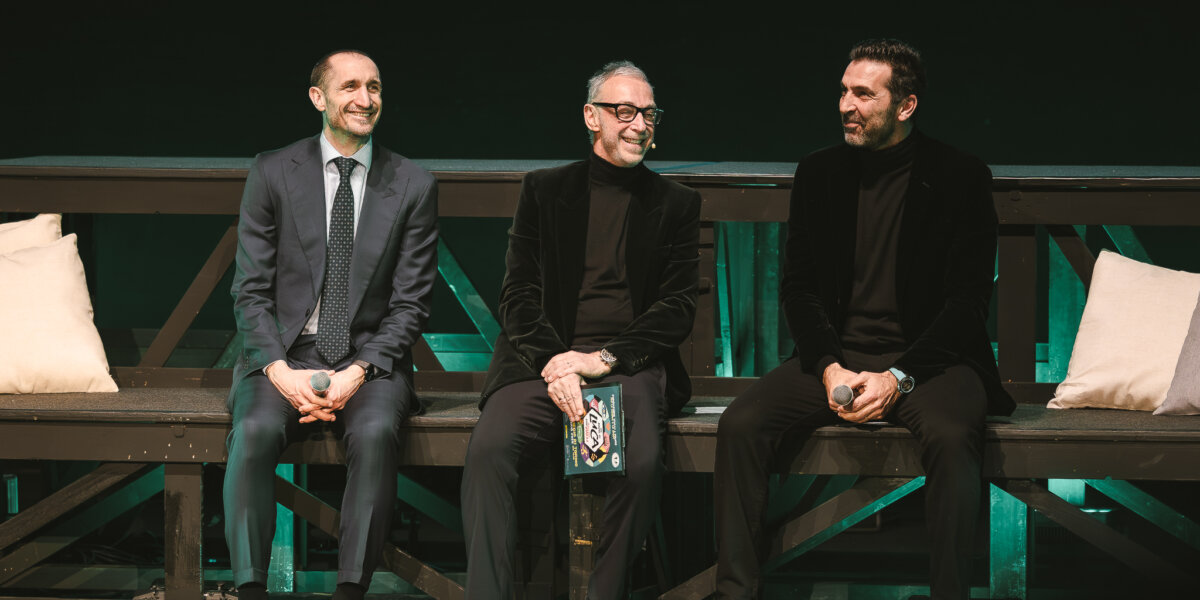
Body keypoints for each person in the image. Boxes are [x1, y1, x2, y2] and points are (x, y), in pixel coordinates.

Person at [713, 39, 1014, 600]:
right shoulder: (819, 172)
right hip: (838, 357)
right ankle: (735, 593)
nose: (845, 106)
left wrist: (898, 378)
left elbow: (967, 303)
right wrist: (828, 367)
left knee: (952, 438)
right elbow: (799, 288)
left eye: (863, 94)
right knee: (740, 425)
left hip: (932, 362)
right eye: (843, 92)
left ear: (905, 105)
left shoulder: (960, 174)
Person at [460, 60, 701, 600]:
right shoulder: (545, 190)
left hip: (626, 364)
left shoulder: (676, 204)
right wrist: (557, 362)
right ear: (592, 117)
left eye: (649, 114)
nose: (639, 125)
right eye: (625, 111)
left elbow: (677, 307)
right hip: (541, 361)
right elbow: (518, 294)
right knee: (490, 451)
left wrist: (602, 359)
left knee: (641, 464)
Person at [225, 49, 438, 600]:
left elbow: (412, 304)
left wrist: (357, 373)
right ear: (318, 98)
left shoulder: (412, 183)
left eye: (374, 87)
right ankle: (249, 590)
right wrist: (278, 370)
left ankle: (350, 590)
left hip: (369, 360)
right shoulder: (273, 171)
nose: (365, 99)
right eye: (350, 87)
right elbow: (250, 290)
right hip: (284, 352)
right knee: (254, 432)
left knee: (374, 433)